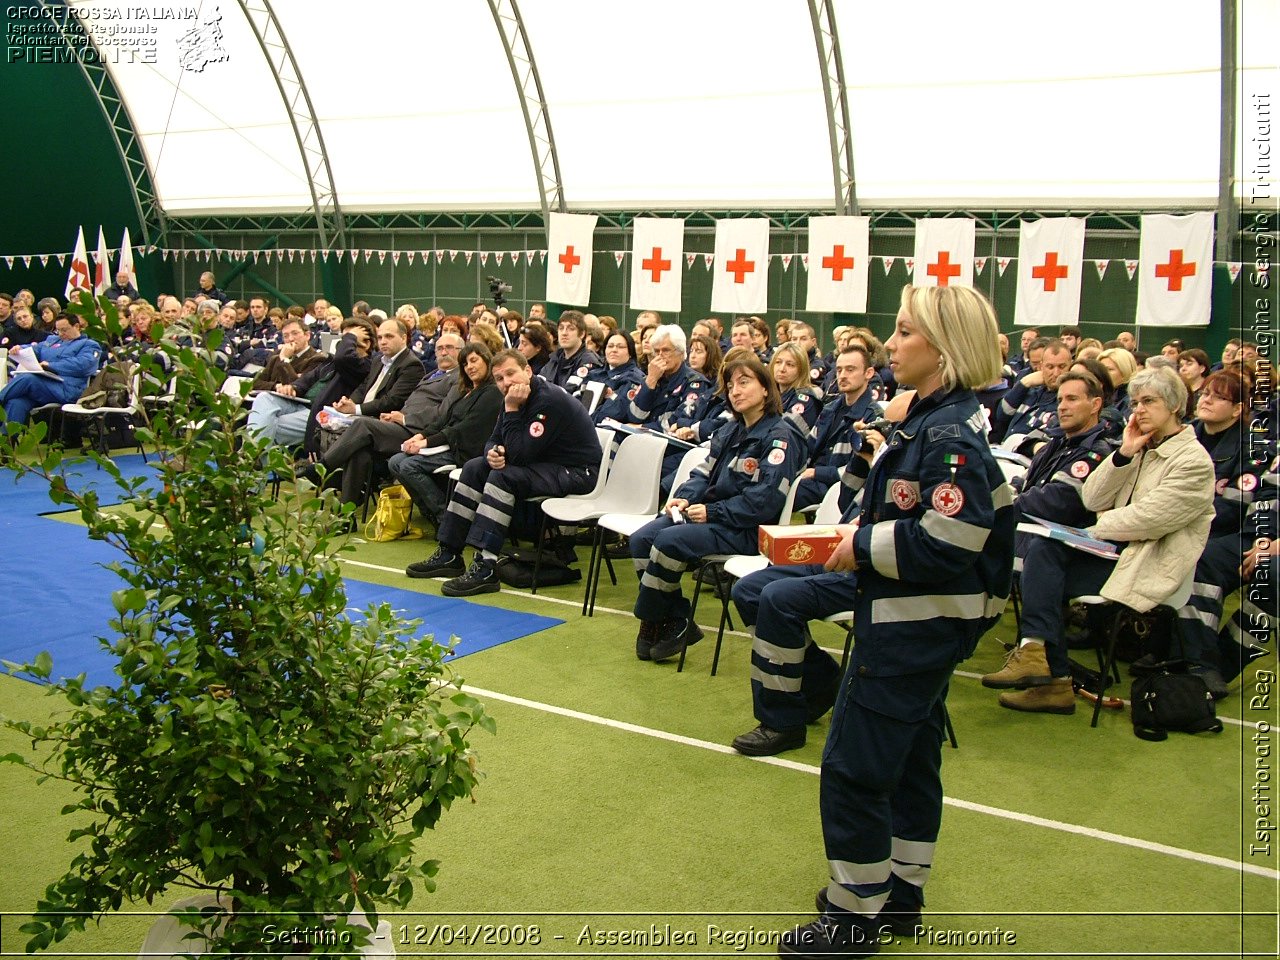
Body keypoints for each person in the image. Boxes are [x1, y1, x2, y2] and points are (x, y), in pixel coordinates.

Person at [737, 285, 1012, 955]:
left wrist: (855, 546)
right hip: (917, 617)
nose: (891, 343)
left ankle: (854, 915)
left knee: (856, 767)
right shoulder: (934, 417)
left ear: (943, 350)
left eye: (905, 331)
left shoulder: (948, 433)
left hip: (914, 623)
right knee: (912, 759)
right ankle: (900, 893)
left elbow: (950, 540)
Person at [984, 366, 1215, 713]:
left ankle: (1050, 673)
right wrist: (1122, 455)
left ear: (1173, 405)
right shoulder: (1140, 448)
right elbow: (1092, 498)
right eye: (1135, 402)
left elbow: (1150, 519)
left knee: (1045, 567)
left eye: (1148, 401)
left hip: (1151, 565)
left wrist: (1096, 528)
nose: (1138, 410)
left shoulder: (1193, 461)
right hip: (1118, 554)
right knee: (1043, 553)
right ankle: (1043, 665)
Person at [631, 352, 807, 664]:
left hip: (746, 529)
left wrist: (713, 512)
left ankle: (654, 620)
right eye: (730, 385)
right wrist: (685, 497)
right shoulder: (730, 430)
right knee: (641, 539)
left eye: (744, 382)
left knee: (668, 542)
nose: (735, 391)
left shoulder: (781, 438)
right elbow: (702, 474)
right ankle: (672, 619)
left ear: (766, 388)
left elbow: (764, 502)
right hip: (712, 518)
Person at [404, 349, 602, 597]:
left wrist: (511, 409)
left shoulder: (547, 400)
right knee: (476, 466)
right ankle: (449, 552)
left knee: (504, 477)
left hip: (578, 472)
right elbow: (495, 439)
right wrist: (492, 453)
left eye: (511, 374)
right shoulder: (514, 398)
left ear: (528, 371)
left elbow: (520, 456)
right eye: (499, 378)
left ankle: (485, 566)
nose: (506, 382)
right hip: (543, 466)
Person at [311, 339, 488, 509]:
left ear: (460, 352)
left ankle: (321, 468)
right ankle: (346, 513)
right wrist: (395, 415)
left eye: (449, 347)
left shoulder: (459, 378)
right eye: (439, 348)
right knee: (359, 451)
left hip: (416, 431)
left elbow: (442, 413)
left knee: (362, 425)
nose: (443, 352)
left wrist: (404, 419)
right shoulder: (431, 374)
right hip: (401, 425)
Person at [387, 342, 504, 526]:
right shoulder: (464, 390)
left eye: (474, 361)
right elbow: (442, 421)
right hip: (447, 445)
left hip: (467, 450)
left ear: (487, 361)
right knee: (395, 462)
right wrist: (419, 436)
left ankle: (447, 518)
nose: (470, 367)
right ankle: (431, 513)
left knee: (409, 466)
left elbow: (463, 429)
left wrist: (426, 443)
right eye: (465, 364)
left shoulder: (493, 392)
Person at [1, 314, 103, 428]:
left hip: (67, 388)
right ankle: (7, 441)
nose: (61, 334)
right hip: (43, 387)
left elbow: (84, 365)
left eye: (64, 330)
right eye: (58, 330)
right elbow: (35, 349)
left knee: (28, 378)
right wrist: (20, 348)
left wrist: (51, 365)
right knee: (17, 402)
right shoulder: (52, 340)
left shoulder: (89, 345)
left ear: (77, 326)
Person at [587, 330, 645, 424]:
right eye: (610, 346)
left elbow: (616, 412)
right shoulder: (594, 373)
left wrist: (585, 420)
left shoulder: (634, 378)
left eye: (620, 347)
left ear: (630, 352)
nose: (614, 350)